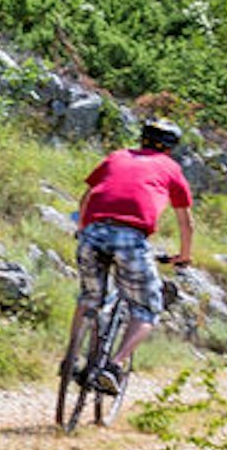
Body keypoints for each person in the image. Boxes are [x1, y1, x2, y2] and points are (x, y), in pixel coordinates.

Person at [72, 116, 196, 397]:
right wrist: (183, 256)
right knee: (147, 309)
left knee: (89, 297)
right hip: (130, 238)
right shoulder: (170, 168)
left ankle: (72, 357)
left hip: (92, 232)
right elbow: (186, 223)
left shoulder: (116, 157)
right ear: (170, 147)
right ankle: (113, 367)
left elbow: (87, 197)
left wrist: (82, 229)